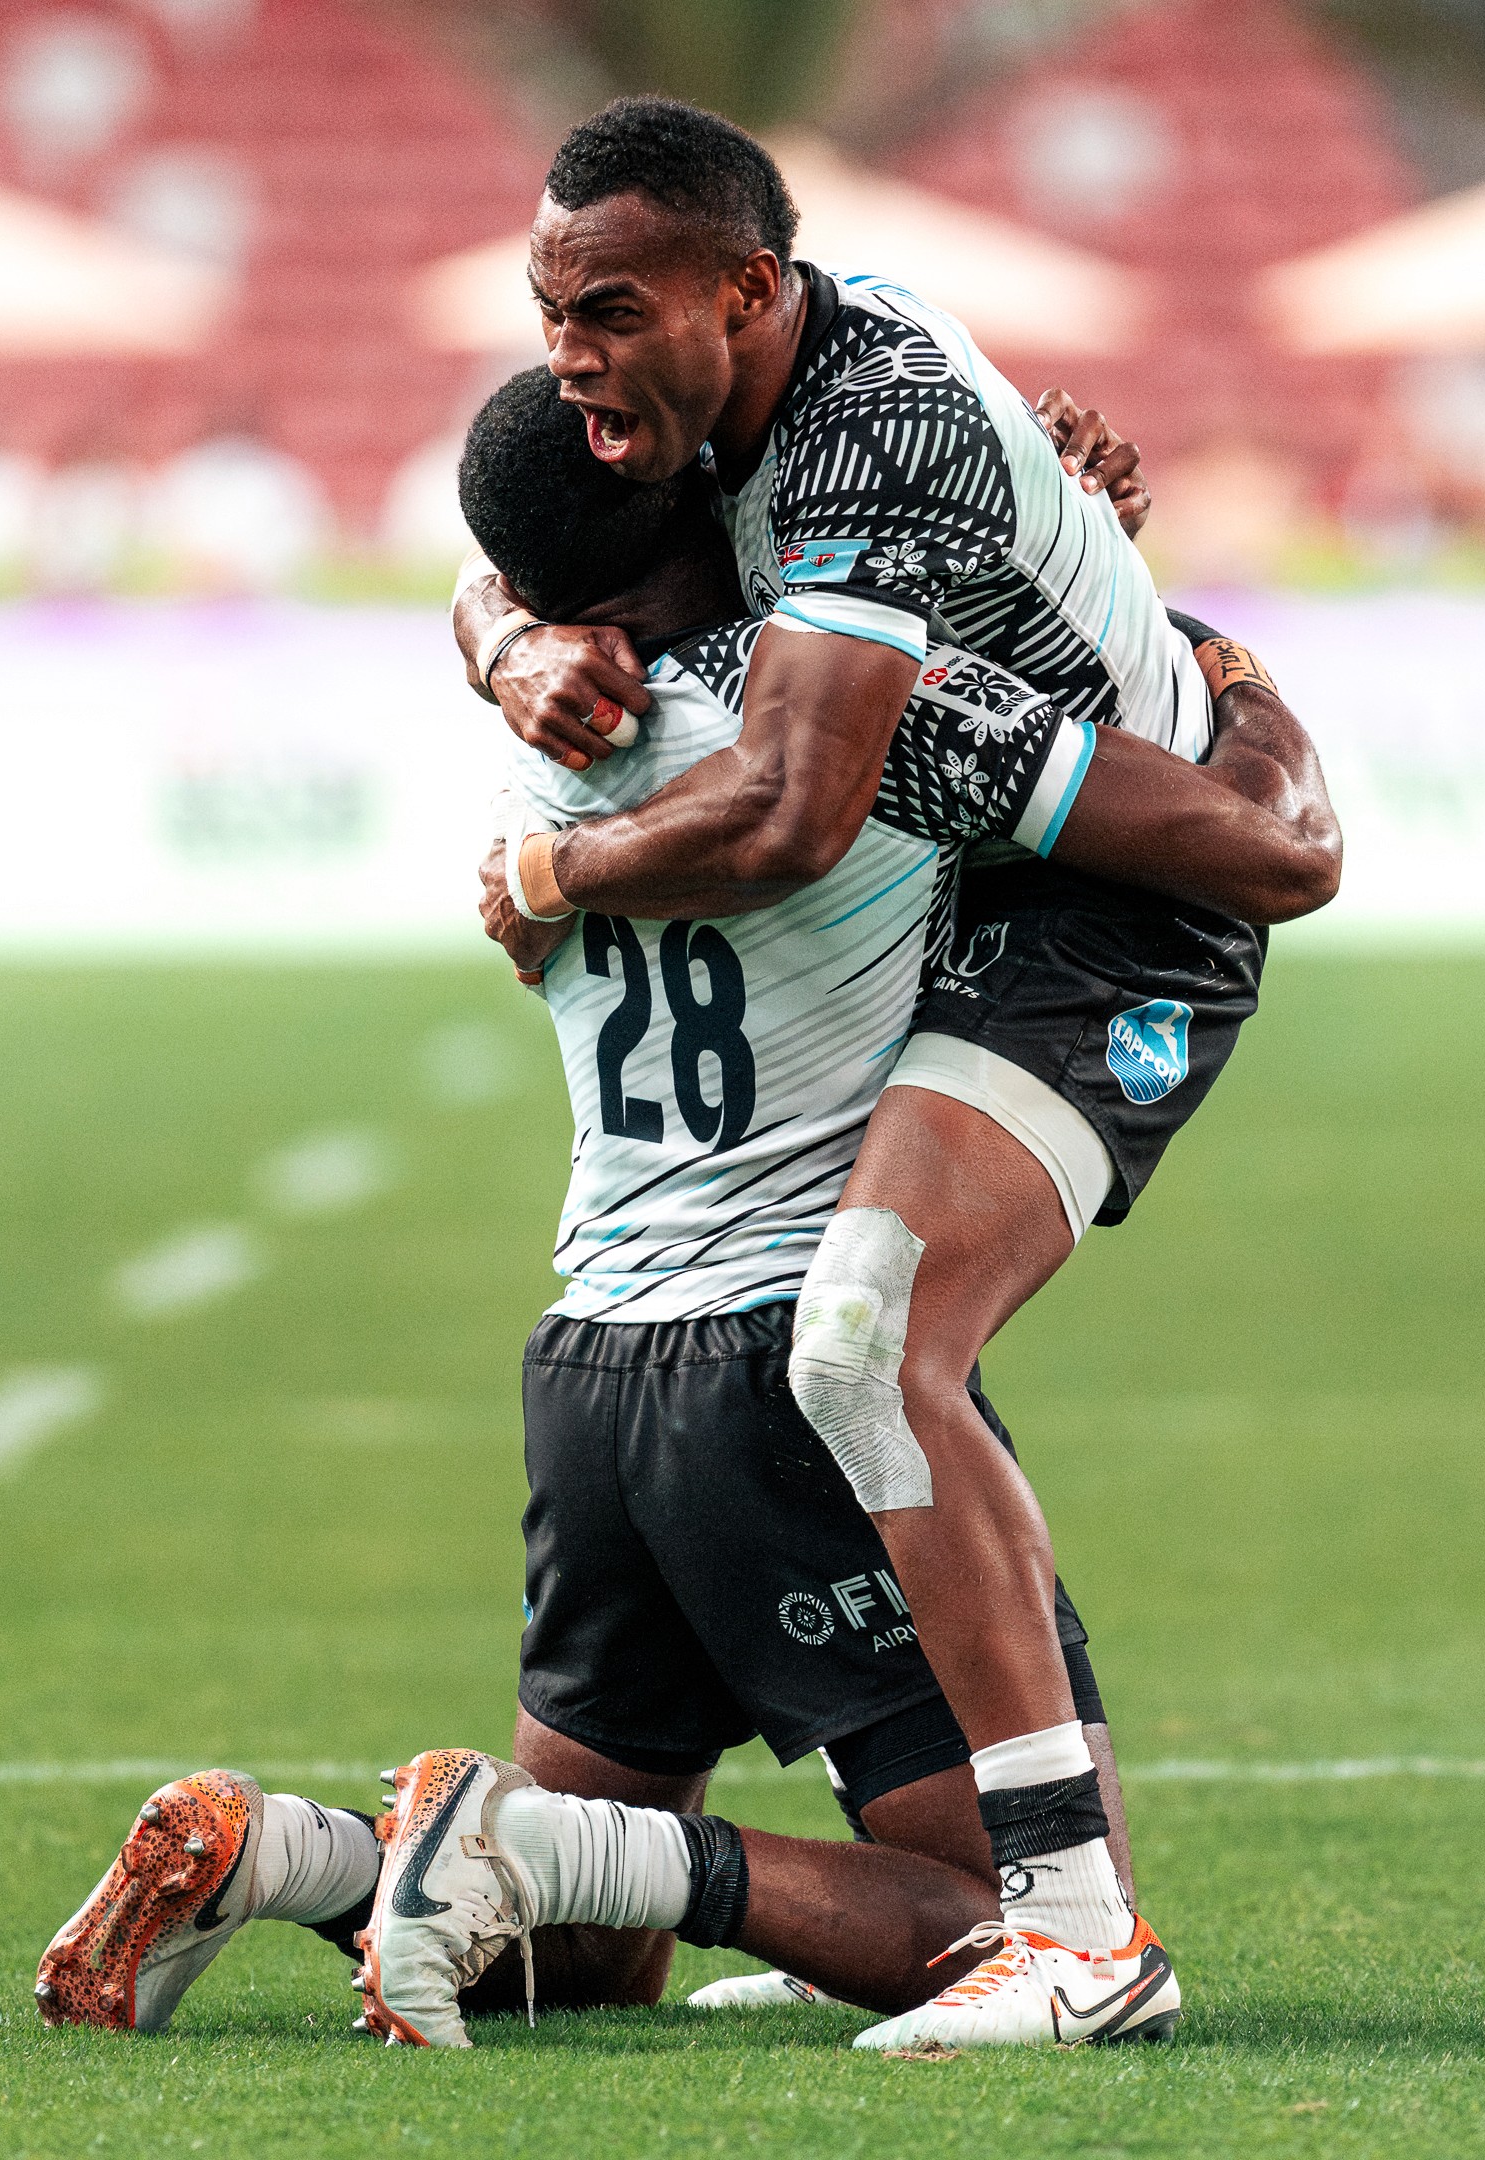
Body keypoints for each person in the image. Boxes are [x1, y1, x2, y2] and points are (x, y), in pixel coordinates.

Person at [37, 371, 1336, 2051]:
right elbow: (1224, 823)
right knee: (990, 1918)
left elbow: (511, 589)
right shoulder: (844, 735)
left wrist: (499, 635)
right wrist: (1123, 586)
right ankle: (509, 1832)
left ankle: (278, 1855)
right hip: (779, 1364)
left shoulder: (546, 758)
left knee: (584, 1958)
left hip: (593, 1371)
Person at [446, 97, 1331, 2046]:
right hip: (999, 821)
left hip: (1122, 901)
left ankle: (1080, 1944)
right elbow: (529, 524)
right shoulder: (764, 441)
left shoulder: (859, 477)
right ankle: (1053, 1932)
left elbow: (790, 808)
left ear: (751, 292)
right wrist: (501, 629)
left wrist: (543, 857)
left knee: (861, 1338)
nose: (570, 357)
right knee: (849, 1344)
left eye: (603, 312)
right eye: (548, 313)